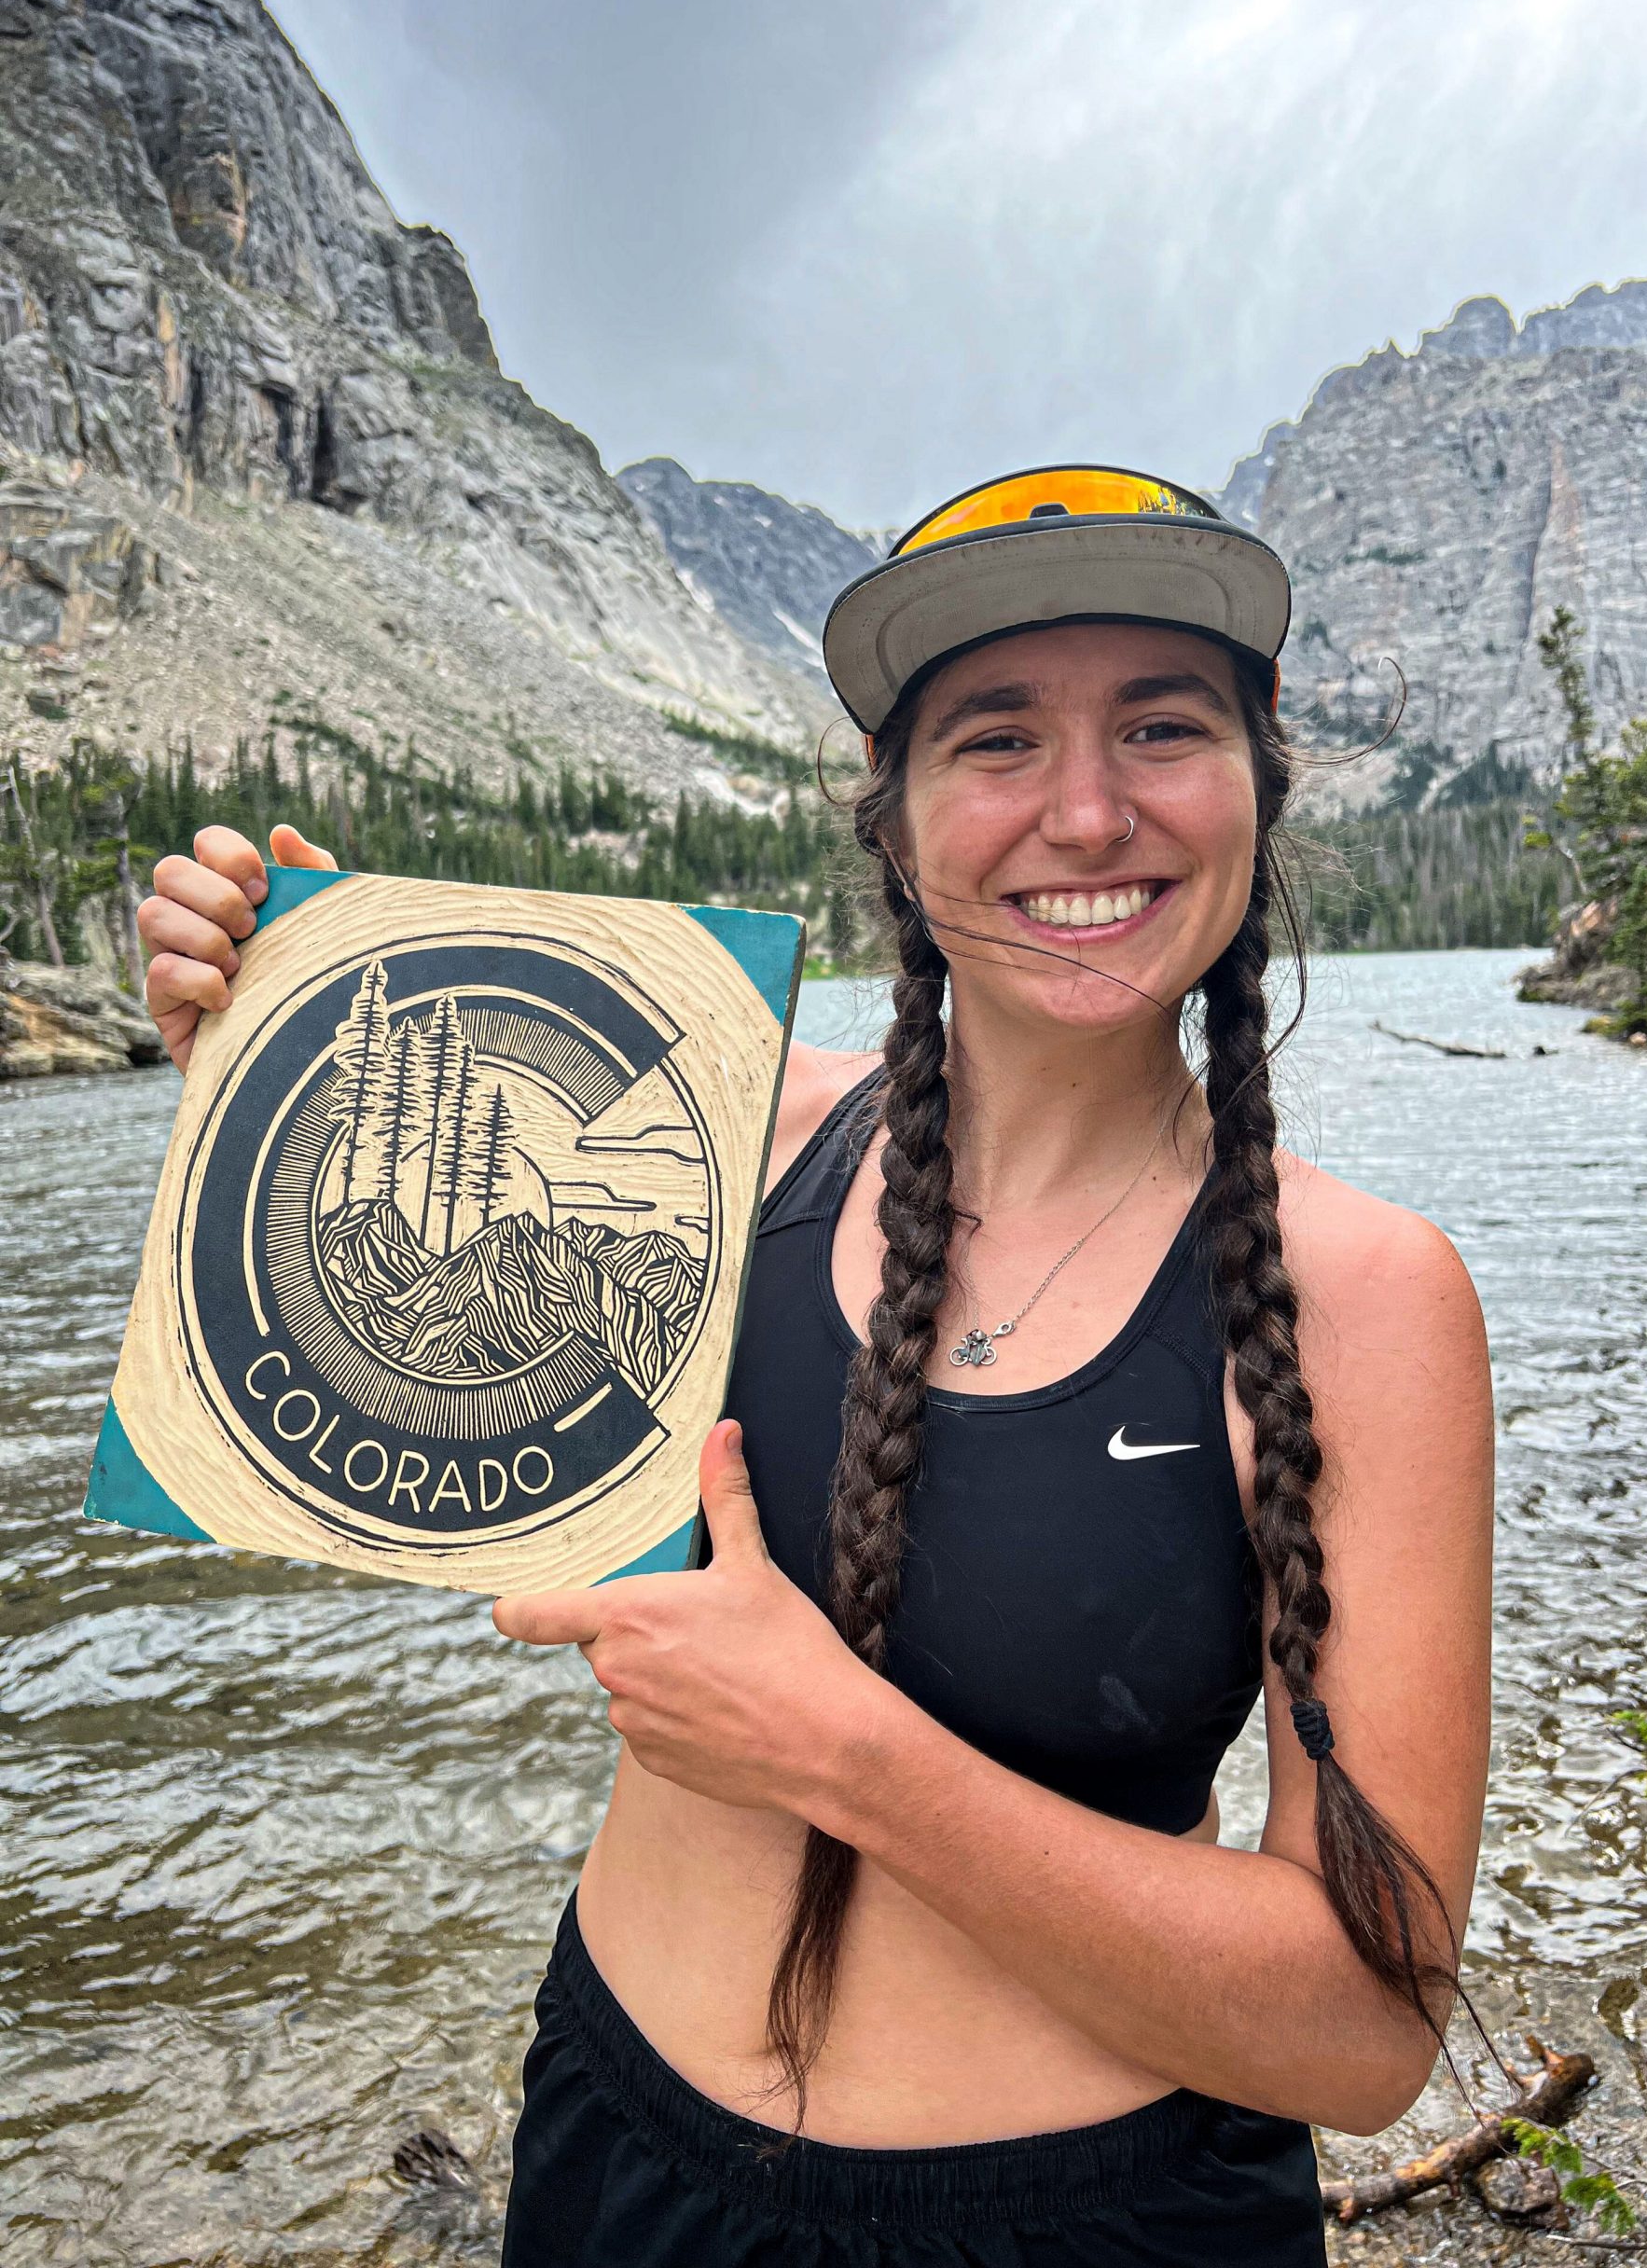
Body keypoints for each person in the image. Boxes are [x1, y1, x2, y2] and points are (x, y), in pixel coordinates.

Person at [139, 464, 1495, 2267]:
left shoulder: (1365, 1299)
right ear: (896, 822)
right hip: (615, 2156)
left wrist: (845, 1754)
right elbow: (396, 1291)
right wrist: (286, 1031)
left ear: (1261, 784)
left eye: (1163, 727)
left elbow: (1363, 2036)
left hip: (1095, 2224)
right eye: (997, 741)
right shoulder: (726, 1137)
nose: (1088, 811)